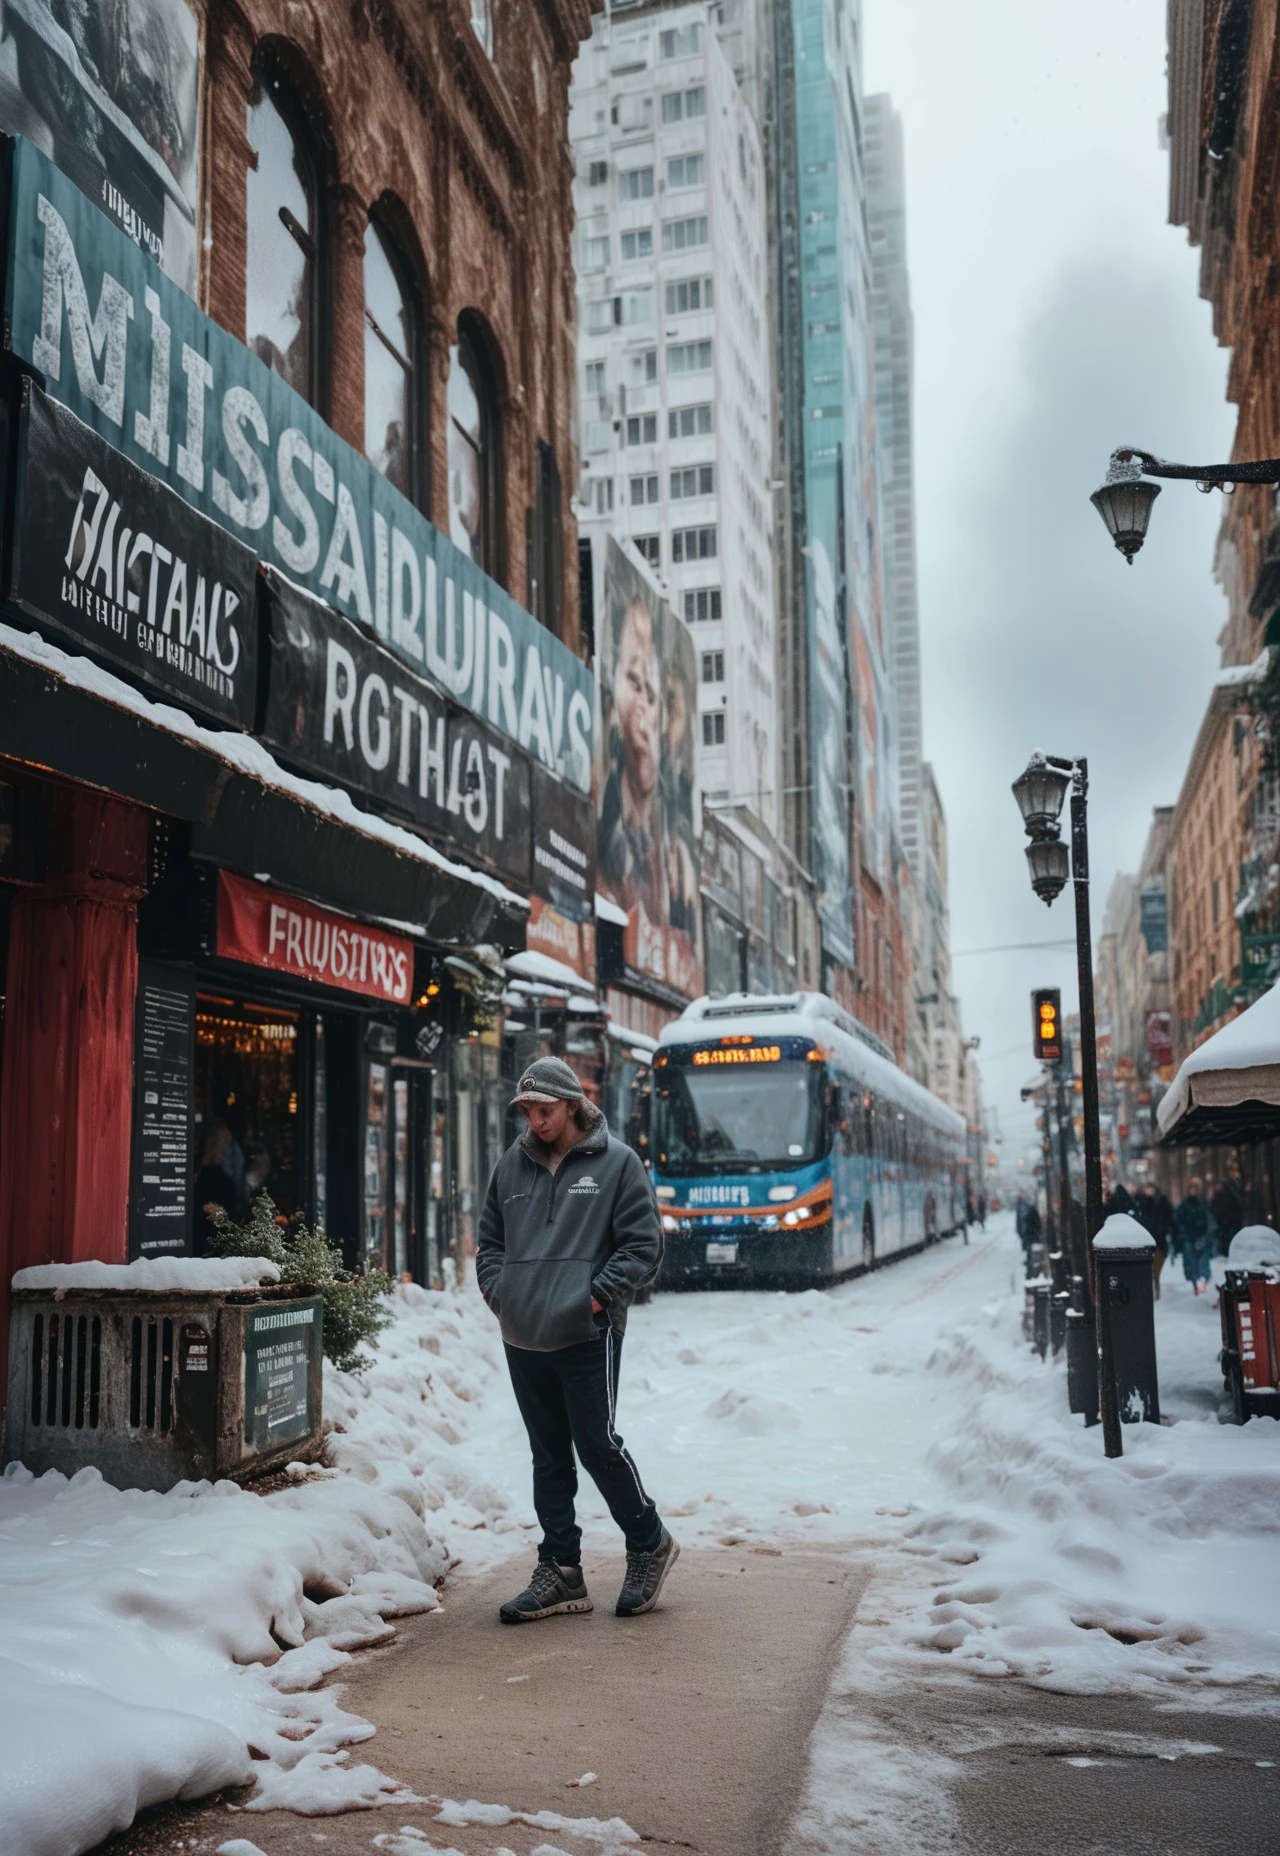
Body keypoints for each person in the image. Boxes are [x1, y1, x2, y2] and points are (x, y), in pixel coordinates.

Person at [476, 1056, 676, 1624]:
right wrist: (502, 1295)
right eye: (528, 1111)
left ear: (571, 1104)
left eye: (545, 1110)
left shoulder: (618, 1163)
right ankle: (561, 1568)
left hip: (588, 1332)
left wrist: (593, 1297)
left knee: (596, 1445)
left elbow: (642, 1247)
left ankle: (648, 1541)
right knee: (548, 1455)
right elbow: (489, 1244)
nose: (535, 1121)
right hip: (524, 1335)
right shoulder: (509, 1168)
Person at [1173, 1177, 1216, 1293]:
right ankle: (1194, 1283)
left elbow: (1208, 1220)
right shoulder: (1185, 1205)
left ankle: (1201, 1284)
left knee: (1202, 1263)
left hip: (1200, 1238)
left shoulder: (1202, 1204)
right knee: (1191, 1262)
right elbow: (1178, 1221)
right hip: (1189, 1238)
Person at [1136, 1182, 1170, 1299]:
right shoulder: (1141, 1203)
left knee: (1155, 1272)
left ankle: (1155, 1294)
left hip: (1158, 1242)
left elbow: (1168, 1219)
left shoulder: (1161, 1202)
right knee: (1151, 1272)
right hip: (1147, 1241)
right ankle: (1153, 1294)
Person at [1209, 1174, 1244, 1255]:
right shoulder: (1217, 1197)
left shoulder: (1231, 1197)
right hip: (1221, 1225)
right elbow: (1213, 1209)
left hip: (1231, 1225)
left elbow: (1237, 1210)